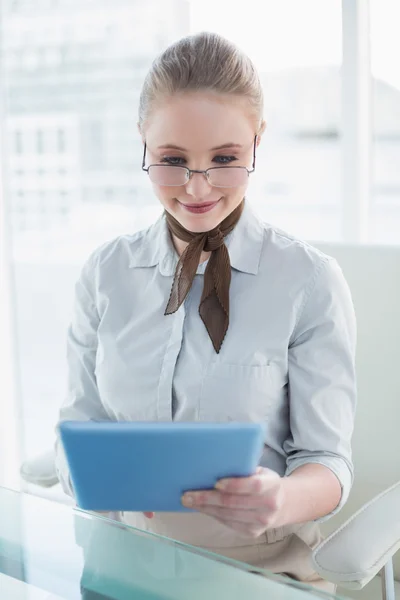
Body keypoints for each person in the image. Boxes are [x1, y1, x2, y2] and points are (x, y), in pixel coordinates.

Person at [55, 31, 357, 592]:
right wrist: (93, 480)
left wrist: (281, 499)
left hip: (257, 574)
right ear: (142, 143)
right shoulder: (105, 275)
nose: (199, 187)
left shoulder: (308, 282)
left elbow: (328, 462)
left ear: (257, 142)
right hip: (122, 569)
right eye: (173, 160)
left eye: (224, 159)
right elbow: (77, 428)